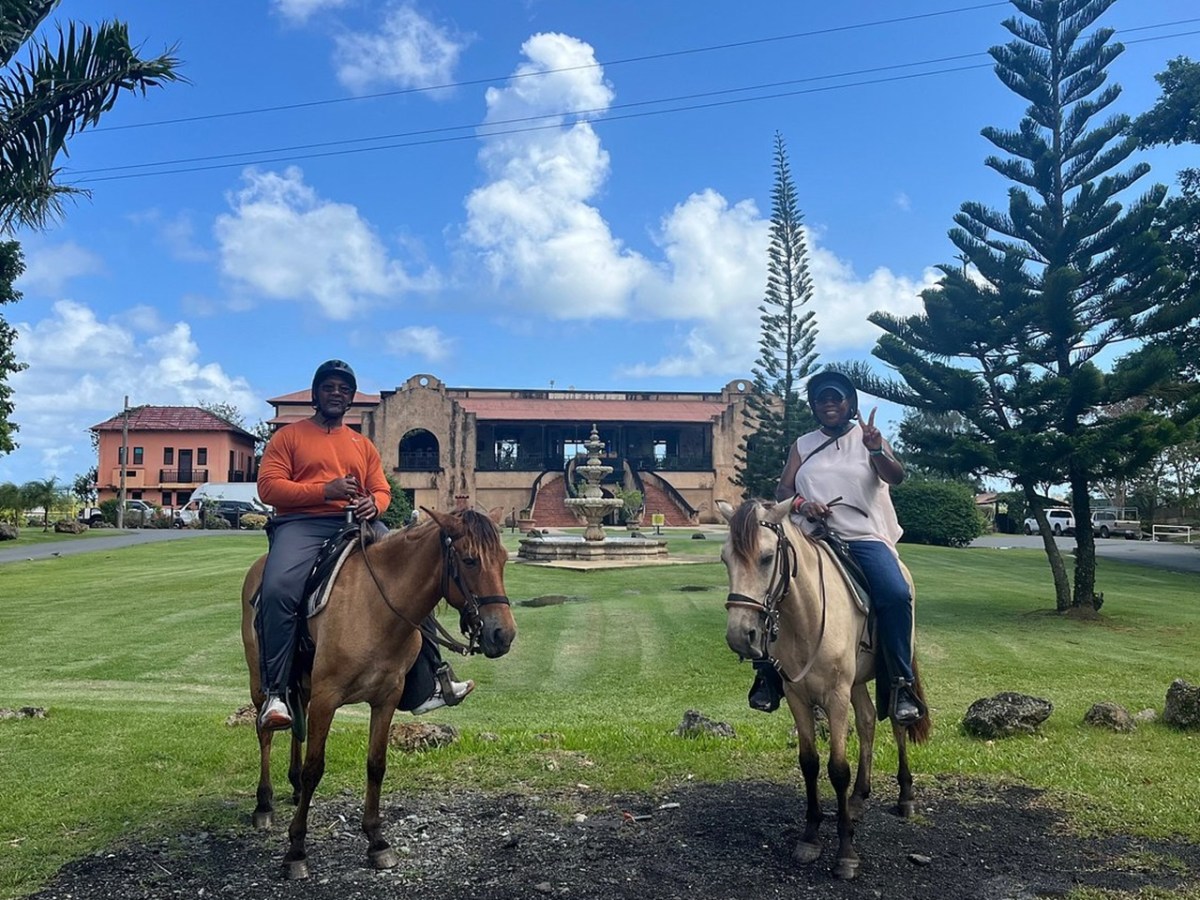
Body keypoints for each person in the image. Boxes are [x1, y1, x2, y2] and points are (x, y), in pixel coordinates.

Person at [254, 359, 474, 731]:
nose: (337, 394)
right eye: (330, 387)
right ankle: (275, 693)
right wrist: (326, 490)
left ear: (351, 398)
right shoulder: (288, 437)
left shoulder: (361, 444)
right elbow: (269, 488)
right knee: (276, 588)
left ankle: (434, 677)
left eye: (344, 389)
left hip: (358, 523)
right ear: (315, 394)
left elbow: (382, 488)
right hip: (302, 524)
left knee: (414, 577)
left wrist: (376, 503)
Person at [749, 369, 924, 726]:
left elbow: (895, 476)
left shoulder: (869, 437)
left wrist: (876, 449)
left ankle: (902, 684)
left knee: (894, 594)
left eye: (836, 398)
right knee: (766, 588)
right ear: (814, 406)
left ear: (849, 403)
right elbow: (783, 490)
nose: (829, 404)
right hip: (811, 535)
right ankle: (767, 674)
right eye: (821, 399)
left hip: (861, 536)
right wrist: (802, 505)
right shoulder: (803, 444)